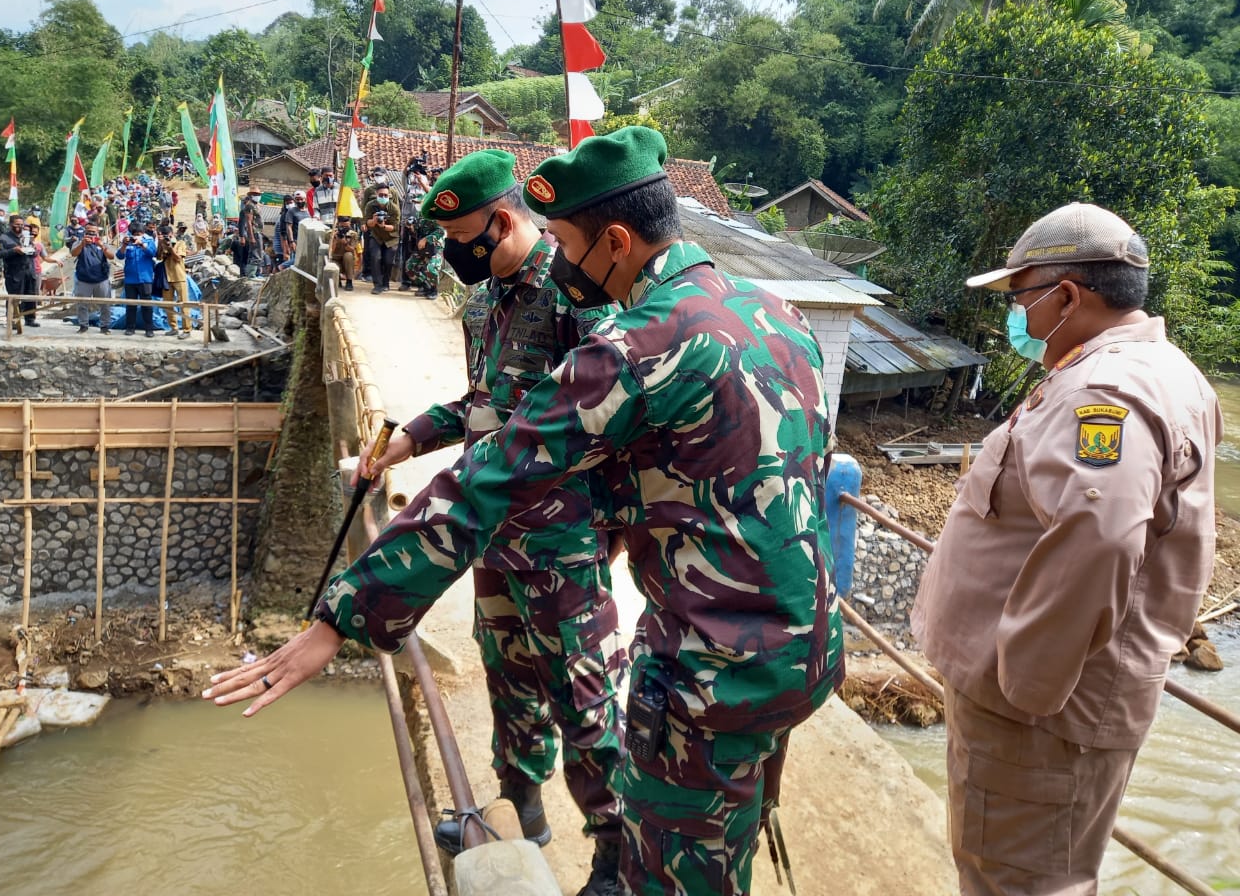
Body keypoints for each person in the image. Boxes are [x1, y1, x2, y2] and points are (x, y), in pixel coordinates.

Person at [203, 128, 844, 896]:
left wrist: (341, 617)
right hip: (803, 648)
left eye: (569, 241)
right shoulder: (777, 312)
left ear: (614, 240)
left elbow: (488, 478)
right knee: (717, 843)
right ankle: (544, 812)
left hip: (712, 669)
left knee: (667, 866)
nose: (563, 259)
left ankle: (613, 859)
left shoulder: (635, 344)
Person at [912, 202, 1222, 896]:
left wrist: (1025, 686)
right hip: (1054, 709)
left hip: (1038, 718)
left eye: (1022, 297)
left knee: (1018, 880)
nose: (1016, 316)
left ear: (1068, 296)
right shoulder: (1158, 372)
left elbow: (1101, 537)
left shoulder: (1105, 392)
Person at [382, 151, 627, 882]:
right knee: (508, 677)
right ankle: (522, 808)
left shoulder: (578, 297)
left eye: (464, 237)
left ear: (505, 219)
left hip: (562, 540)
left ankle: (614, 854)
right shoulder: (485, 300)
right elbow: (479, 404)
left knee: (583, 698)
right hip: (496, 533)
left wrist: (607, 532)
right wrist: (406, 439)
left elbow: (615, 422)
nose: (457, 253)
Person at [0, 214, 40, 329]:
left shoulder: (26, 237)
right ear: (10, 225)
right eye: (17, 225)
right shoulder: (3, 238)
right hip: (14, 273)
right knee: (14, 298)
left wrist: (32, 249)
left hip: (29, 271)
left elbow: (34, 253)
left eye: (21, 224)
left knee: (30, 295)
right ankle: (12, 320)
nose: (19, 227)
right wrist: (13, 250)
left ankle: (30, 319)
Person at [70, 225, 114, 334]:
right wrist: (82, 244)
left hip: (101, 279)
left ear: (98, 233)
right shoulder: (80, 242)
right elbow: (73, 253)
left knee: (105, 304)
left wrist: (102, 246)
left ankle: (104, 326)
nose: (91, 234)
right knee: (82, 304)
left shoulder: (102, 243)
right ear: (85, 232)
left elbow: (111, 256)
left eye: (93, 232)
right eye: (89, 232)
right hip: (83, 279)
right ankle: (83, 325)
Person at [118, 227, 157, 337]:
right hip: (130, 279)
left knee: (147, 305)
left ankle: (149, 329)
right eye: (134, 234)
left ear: (143, 233)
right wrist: (124, 245)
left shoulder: (149, 241)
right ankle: (130, 328)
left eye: (139, 234)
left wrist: (141, 244)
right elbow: (119, 256)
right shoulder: (128, 243)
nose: (136, 236)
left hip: (145, 279)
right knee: (131, 305)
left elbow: (153, 253)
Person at [362, 183, 400, 294]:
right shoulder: (370, 205)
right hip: (376, 236)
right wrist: (373, 221)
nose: (383, 197)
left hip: (391, 238)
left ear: (389, 196)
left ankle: (386, 283)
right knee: (375, 258)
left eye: (385, 195)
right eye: (381, 195)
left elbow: (394, 227)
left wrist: (383, 225)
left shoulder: (394, 209)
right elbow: (367, 222)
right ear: (376, 194)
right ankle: (377, 285)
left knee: (388, 261)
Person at [158, 227, 192, 339]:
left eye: (167, 234)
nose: (167, 236)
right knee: (168, 305)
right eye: (164, 235)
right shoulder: (162, 244)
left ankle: (187, 330)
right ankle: (174, 328)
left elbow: (178, 258)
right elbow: (158, 257)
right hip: (166, 278)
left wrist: (170, 248)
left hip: (179, 276)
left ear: (172, 234)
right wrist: (160, 243)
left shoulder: (180, 243)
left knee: (184, 304)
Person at [329, 215, 359, 291]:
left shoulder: (353, 234)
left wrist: (345, 243)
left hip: (347, 262)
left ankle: (349, 281)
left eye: (346, 226)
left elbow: (352, 250)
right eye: (342, 226)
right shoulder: (332, 233)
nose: (344, 228)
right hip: (335, 259)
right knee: (332, 263)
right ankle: (337, 280)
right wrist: (335, 240)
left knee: (348, 255)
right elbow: (330, 251)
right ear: (338, 224)